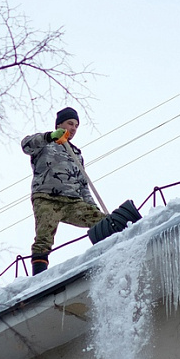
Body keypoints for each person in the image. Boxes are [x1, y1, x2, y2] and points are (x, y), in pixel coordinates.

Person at [21, 107, 107, 275]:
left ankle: (112, 251)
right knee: (44, 238)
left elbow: (83, 184)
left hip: (73, 202)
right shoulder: (45, 144)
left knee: (102, 221)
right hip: (47, 198)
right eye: (70, 123)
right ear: (60, 124)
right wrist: (49, 136)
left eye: (76, 125)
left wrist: (92, 206)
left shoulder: (76, 153)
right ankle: (38, 277)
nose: (74, 128)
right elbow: (26, 145)